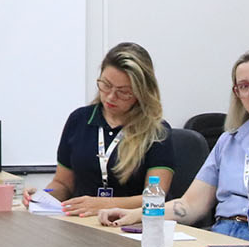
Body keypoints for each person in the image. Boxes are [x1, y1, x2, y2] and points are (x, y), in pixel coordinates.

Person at [101, 49, 249, 247]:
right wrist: (136, 214)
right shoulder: (228, 142)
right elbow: (190, 205)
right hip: (220, 239)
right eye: (243, 86)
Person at [26, 41, 176, 217]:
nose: (111, 96)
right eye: (106, 85)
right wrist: (43, 196)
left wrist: (103, 205)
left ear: (141, 92)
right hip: (81, 224)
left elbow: (156, 199)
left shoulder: (157, 132)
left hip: (129, 227)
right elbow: (63, 184)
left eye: (123, 91)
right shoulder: (79, 120)